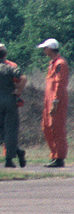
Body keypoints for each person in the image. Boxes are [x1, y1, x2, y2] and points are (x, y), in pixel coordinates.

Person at [38, 38, 68, 167]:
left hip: (56, 100)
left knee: (57, 128)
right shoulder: (52, 63)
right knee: (47, 127)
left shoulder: (60, 63)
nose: (44, 51)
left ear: (50, 49)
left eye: (45, 48)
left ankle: (59, 157)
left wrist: (55, 101)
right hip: (48, 100)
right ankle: (54, 155)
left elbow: (60, 84)